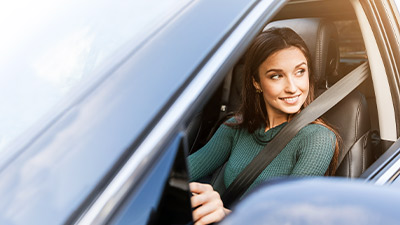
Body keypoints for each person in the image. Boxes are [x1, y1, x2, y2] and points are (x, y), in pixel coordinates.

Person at [187, 27, 340, 225]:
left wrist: (225, 214)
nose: (293, 87)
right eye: (276, 76)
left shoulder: (317, 138)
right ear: (256, 82)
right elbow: (184, 171)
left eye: (300, 72)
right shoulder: (235, 127)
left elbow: (288, 218)